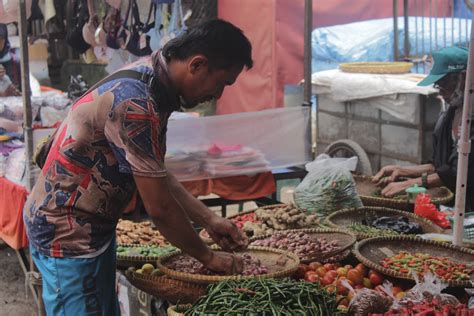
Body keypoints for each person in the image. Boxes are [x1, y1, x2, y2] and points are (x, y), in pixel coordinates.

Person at [23, 19, 252, 315]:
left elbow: (152, 170)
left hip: (87, 228)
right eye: (221, 83)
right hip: (67, 235)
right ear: (197, 65)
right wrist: (207, 257)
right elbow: (161, 209)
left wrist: (209, 219)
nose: (218, 95)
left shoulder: (154, 76)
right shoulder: (138, 101)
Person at [373, 46, 474, 212]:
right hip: (454, 206)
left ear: (464, 78)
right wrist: (403, 170)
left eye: (444, 84)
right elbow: (439, 165)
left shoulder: (470, 118)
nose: (441, 92)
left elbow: (461, 172)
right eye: (437, 85)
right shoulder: (449, 114)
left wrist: (412, 183)